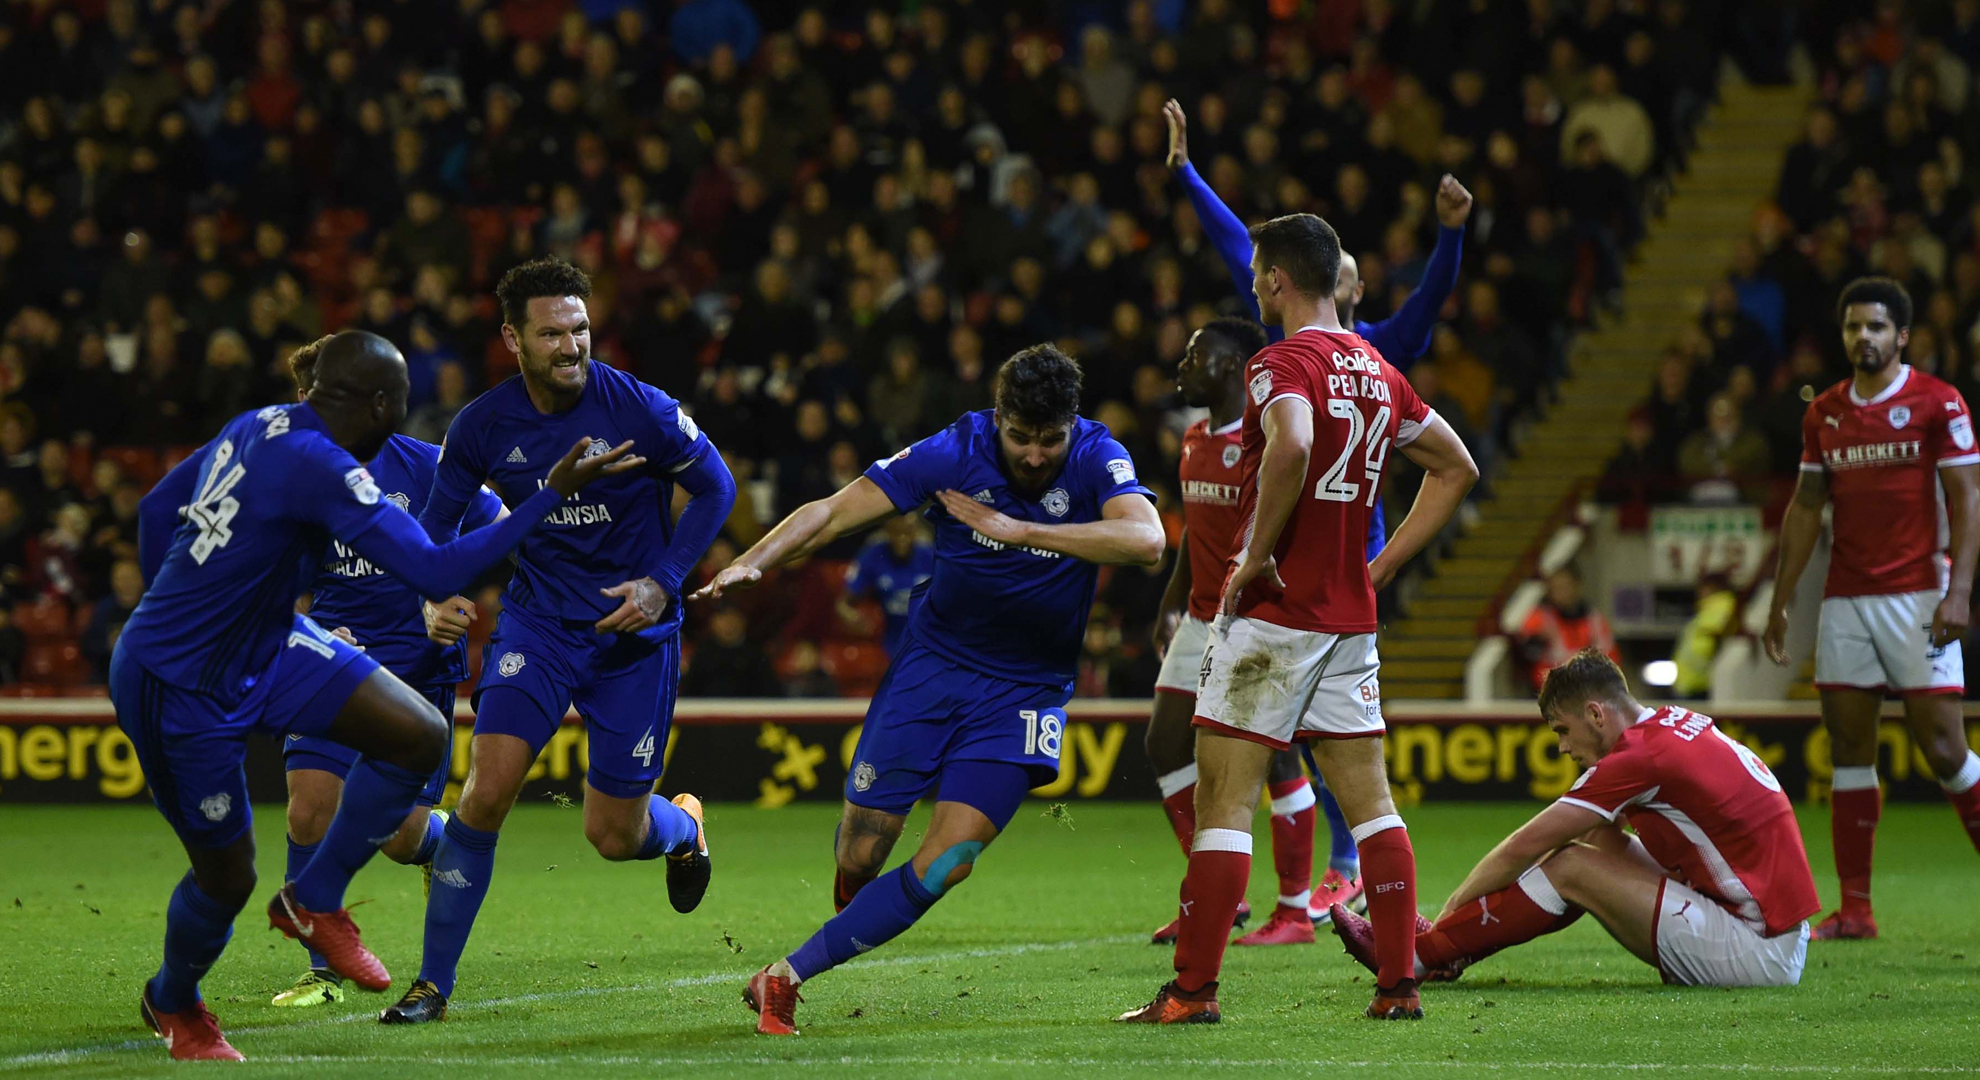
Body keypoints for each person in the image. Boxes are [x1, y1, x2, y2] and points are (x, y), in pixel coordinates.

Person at [112, 329, 634, 1061]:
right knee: (226, 877)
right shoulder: (320, 464)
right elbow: (436, 565)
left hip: (266, 642)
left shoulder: (259, 424)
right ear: (381, 403)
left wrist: (197, 597)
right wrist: (551, 493)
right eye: (401, 407)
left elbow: (154, 513)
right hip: (180, 682)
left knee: (417, 732)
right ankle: (172, 998)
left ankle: (313, 897)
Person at [694, 344, 1165, 1035]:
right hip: (932, 670)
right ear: (997, 418)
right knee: (861, 852)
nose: (1035, 456)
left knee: (949, 860)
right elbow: (831, 512)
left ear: (1073, 425)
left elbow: (1148, 540)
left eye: (1049, 440)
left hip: (1025, 692)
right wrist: (753, 560)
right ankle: (855, 912)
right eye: (1021, 438)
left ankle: (784, 977)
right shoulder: (952, 451)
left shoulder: (1098, 455)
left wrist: (1023, 529)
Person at [1120, 213, 1477, 1025]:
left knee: (1224, 802)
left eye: (1256, 274)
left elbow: (1290, 445)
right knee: (1373, 805)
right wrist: (1377, 569)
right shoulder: (1379, 369)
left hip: (1275, 618)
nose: (1253, 284)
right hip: (1349, 623)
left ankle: (1191, 993)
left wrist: (1253, 558)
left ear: (1277, 279)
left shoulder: (1278, 364)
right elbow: (1458, 467)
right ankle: (1397, 986)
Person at [396, 258, 738, 1023]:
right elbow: (437, 529)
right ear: (513, 338)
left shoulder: (642, 409)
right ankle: (433, 985)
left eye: (580, 328)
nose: (571, 345)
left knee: (614, 836)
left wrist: (663, 582)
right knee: (485, 792)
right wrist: (435, 595)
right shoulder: (483, 425)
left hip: (635, 638)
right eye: (552, 333)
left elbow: (718, 487)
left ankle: (683, 827)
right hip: (539, 625)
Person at [1163, 98, 1473, 905]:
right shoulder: (1359, 361)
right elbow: (1240, 243)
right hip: (1341, 579)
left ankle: (1310, 886)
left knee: (1264, 760)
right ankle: (1348, 891)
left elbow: (1427, 307)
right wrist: (1189, 173)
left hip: (1311, 565)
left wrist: (1449, 238)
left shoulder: (1357, 352)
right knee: (1343, 747)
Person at [1331, 648, 1817, 988]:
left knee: (1571, 867)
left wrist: (1448, 912)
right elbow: (1588, 835)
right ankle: (1442, 947)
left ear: (1596, 714)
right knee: (1597, 842)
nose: (1564, 747)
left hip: (1757, 950)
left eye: (1564, 731)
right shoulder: (1670, 725)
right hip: (1776, 933)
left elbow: (1526, 845)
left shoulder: (1637, 760)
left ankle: (1420, 954)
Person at [269, 337, 506, 1009]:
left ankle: (435, 846)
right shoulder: (294, 488)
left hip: (412, 675)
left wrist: (455, 596)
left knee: (399, 835)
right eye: (304, 395)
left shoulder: (429, 469)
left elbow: (504, 530)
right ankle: (324, 975)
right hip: (333, 670)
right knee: (309, 807)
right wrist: (308, 631)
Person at [1763, 277, 1980, 940]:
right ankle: (1855, 910)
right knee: (1850, 747)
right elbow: (1805, 508)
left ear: (1902, 335)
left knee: (1945, 746)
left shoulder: (1938, 403)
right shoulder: (1824, 413)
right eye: (1855, 327)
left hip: (1920, 593)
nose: (1865, 337)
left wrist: (1961, 588)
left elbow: (1968, 498)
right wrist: (1781, 598)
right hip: (1847, 601)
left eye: (1877, 327)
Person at [1148, 317, 1309, 946]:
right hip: (1199, 615)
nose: (1184, 366)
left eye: (1198, 356)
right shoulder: (1191, 438)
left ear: (1237, 364)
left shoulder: (1268, 439)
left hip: (1255, 616)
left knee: (1272, 760)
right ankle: (1214, 894)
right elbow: (1195, 530)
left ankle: (1295, 910)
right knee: (1164, 744)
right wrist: (1170, 601)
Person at [840, 513, 934, 658]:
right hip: (888, 640)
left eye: (907, 533)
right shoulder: (874, 555)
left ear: (915, 531)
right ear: (887, 531)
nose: (902, 539)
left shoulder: (930, 556)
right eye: (896, 532)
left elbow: (952, 598)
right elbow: (844, 602)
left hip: (926, 638)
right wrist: (852, 617)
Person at [1518, 566, 1619, 693]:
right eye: (1556, 588)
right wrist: (1537, 642)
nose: (1561, 593)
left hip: (1588, 692)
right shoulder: (1539, 620)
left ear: (1577, 586)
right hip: (1549, 693)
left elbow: (1610, 658)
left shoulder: (1594, 621)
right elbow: (1526, 654)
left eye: (1565, 586)